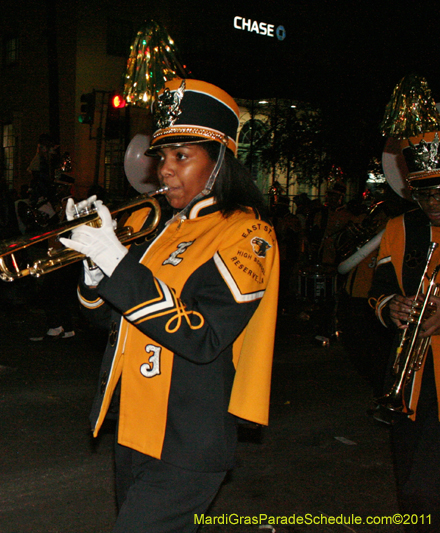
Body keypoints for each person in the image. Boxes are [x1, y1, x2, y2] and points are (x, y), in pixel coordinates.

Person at [60, 78, 279, 533]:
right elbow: (106, 320)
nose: (165, 170)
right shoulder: (153, 226)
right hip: (134, 427)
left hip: (189, 439)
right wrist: (95, 268)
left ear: (220, 162)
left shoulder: (246, 234)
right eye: (163, 157)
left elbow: (203, 336)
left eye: (183, 156)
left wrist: (117, 263)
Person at [369, 130, 440, 529]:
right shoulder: (400, 227)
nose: (432, 203)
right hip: (414, 378)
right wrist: (390, 306)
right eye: (424, 194)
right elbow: (377, 292)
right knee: (414, 478)